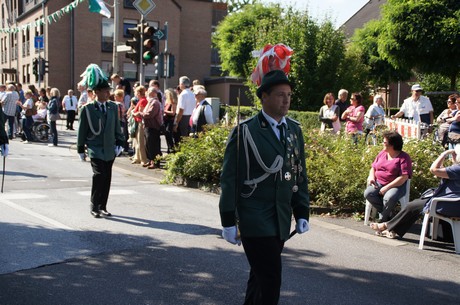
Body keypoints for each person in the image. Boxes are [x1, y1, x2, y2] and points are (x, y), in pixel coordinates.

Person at [219, 70, 310, 305]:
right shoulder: (246, 131)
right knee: (271, 279)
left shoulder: (293, 130)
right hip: (254, 218)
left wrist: (302, 212)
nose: (286, 100)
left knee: (259, 280)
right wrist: (228, 221)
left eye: (289, 94)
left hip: (280, 218)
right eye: (280, 94)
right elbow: (230, 179)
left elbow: (299, 173)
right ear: (264, 97)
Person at [370, 146, 460, 239]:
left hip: (447, 204)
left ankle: (386, 226)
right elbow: (442, 171)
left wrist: (444, 154)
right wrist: (455, 161)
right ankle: (392, 229)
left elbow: (434, 169)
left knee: (412, 206)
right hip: (453, 203)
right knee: (415, 205)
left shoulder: (457, 169)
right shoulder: (456, 169)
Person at [78, 64, 124, 218]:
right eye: (105, 91)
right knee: (99, 175)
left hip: (109, 149)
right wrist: (80, 149)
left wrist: (120, 143)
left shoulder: (112, 107)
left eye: (108, 91)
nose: (107, 93)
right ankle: (94, 205)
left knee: (107, 177)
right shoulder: (87, 109)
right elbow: (82, 130)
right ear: (96, 92)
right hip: (95, 148)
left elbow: (117, 127)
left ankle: (103, 206)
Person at [364, 131, 413, 222]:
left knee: (389, 197)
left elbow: (403, 177)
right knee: (368, 193)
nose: (382, 144)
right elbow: (373, 167)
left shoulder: (404, 157)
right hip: (379, 182)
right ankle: (387, 214)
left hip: (396, 185)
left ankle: (383, 220)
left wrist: (387, 187)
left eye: (385, 142)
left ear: (392, 145)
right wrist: (371, 177)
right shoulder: (382, 153)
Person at [141, 87, 163, 169]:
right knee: (148, 144)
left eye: (149, 91)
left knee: (153, 145)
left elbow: (150, 114)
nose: (147, 92)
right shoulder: (150, 101)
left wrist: (140, 114)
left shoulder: (155, 103)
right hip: (148, 126)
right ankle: (150, 160)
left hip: (153, 127)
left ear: (154, 93)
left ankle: (155, 162)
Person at [130, 86, 149, 165]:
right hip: (138, 122)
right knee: (137, 141)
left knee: (141, 142)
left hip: (140, 122)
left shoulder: (142, 101)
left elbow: (139, 113)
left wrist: (133, 113)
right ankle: (137, 157)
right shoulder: (141, 100)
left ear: (138, 93)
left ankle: (143, 159)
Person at [173, 76, 195, 142]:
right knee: (188, 137)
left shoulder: (182, 95)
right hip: (191, 117)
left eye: (180, 83)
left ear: (182, 84)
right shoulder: (192, 93)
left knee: (181, 137)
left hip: (183, 118)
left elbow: (181, 110)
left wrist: (176, 122)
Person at [163, 88, 177, 153]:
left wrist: (164, 111)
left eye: (166, 94)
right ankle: (169, 148)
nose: (165, 95)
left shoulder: (173, 102)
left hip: (170, 120)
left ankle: (172, 147)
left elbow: (173, 113)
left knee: (169, 133)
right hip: (166, 120)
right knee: (166, 134)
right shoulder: (167, 102)